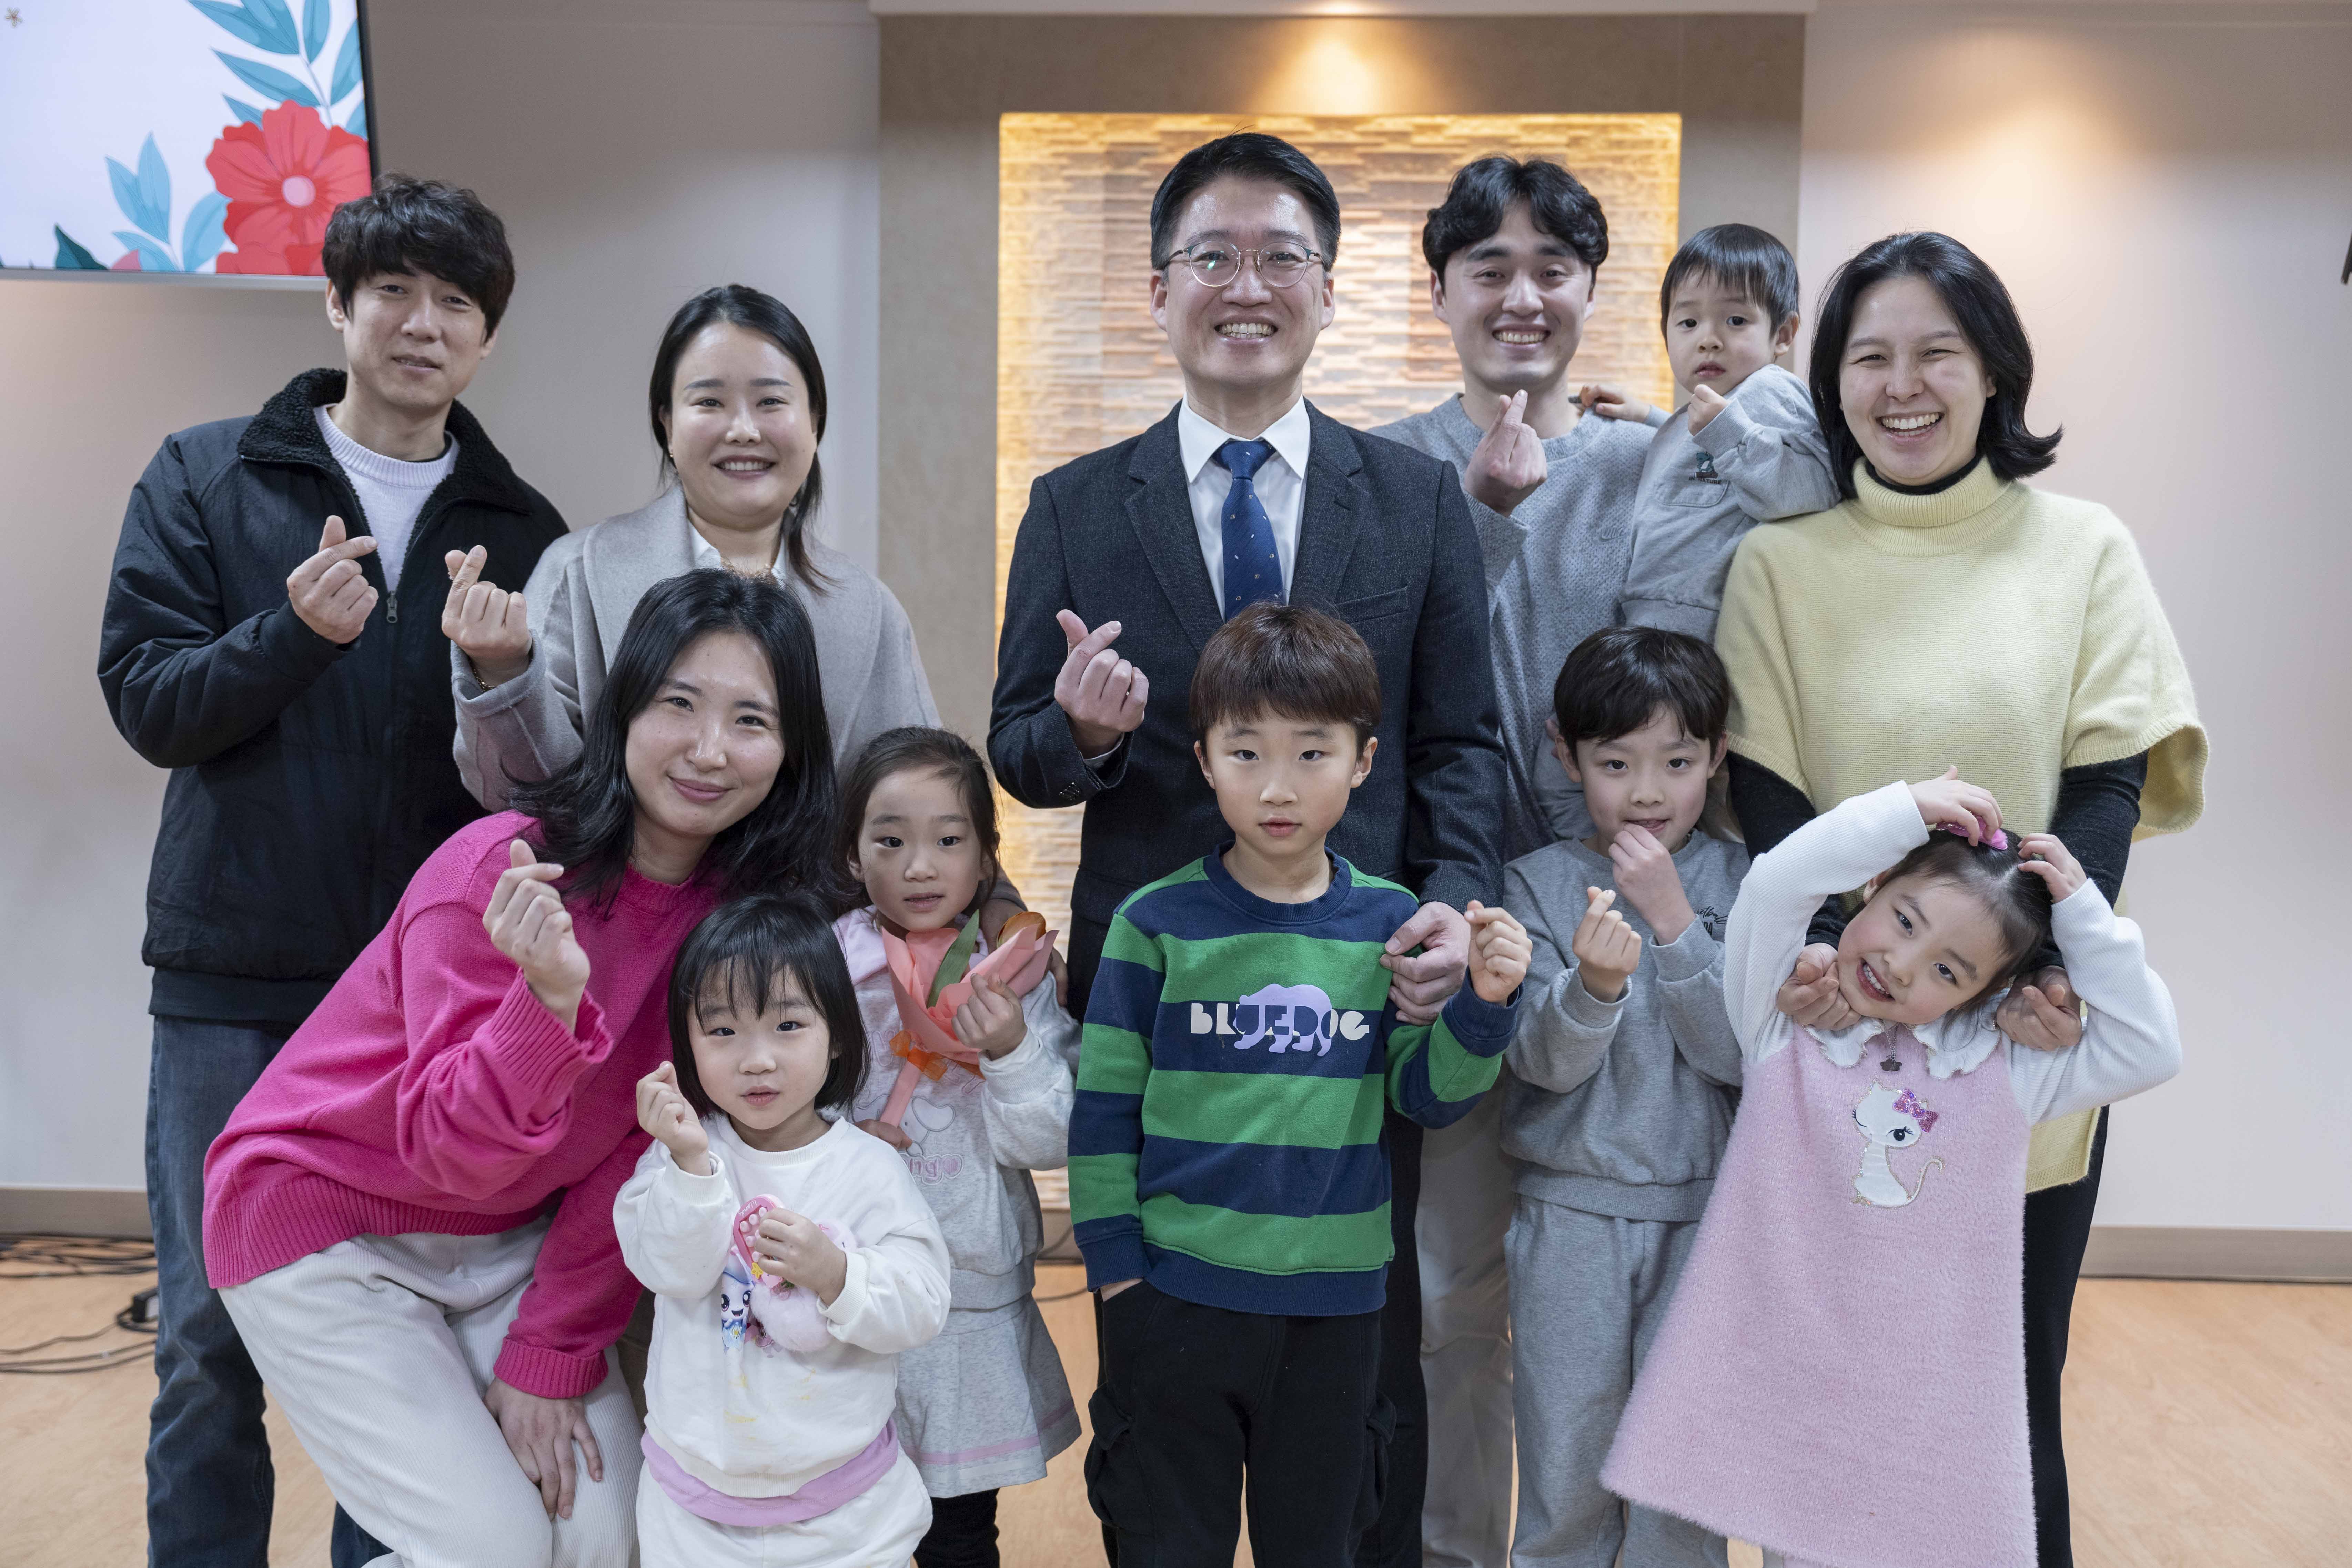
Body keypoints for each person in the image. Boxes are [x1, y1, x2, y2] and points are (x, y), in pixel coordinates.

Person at [989, 131, 1508, 1566]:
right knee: (1162, 1386)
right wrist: (1082, 732)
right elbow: (1017, 747)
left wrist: (1452, 910)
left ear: (1328, 291)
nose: (1246, 285)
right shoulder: (1076, 504)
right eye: (1210, 256)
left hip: (1359, 997)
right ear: (1157, 290)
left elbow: (1462, 741)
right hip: (1163, 1004)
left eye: (1282, 256)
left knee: (1359, 1380)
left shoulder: (1412, 497)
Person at [1713, 231, 2205, 1566]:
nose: (1902, 385)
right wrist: (1845, 972)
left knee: (2002, 1409)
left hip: (2018, 1056)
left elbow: (2103, 789)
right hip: (1841, 1054)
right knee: (1833, 1416)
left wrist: (2024, 984)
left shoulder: (2083, 549)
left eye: (1936, 351)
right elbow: (1770, 802)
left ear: (1993, 369)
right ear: (1831, 383)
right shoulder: (1778, 566)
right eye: (1869, 356)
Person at [96, 174, 565, 1568]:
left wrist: (504, 673)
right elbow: (146, 700)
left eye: (455, 303)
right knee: (204, 1335)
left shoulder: (525, 527)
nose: (423, 324)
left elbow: (539, 785)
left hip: (418, 1005)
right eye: (394, 293)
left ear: (487, 336)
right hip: (232, 979)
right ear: (338, 305)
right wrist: (290, 636)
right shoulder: (207, 475)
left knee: (403, 1336)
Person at [202, 570, 839, 1563]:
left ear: (791, 750)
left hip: (504, 1239)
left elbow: (637, 1153)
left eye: (750, 719)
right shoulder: (500, 868)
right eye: (678, 703)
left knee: (608, 1536)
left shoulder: (737, 929)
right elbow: (447, 1149)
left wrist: (547, 1349)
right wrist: (545, 1001)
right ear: (622, 709)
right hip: (328, 1224)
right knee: (491, 1545)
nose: (709, 748)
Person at [1601, 773, 2182, 1568]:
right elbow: (1776, 884)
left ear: (1986, 992)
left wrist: (2083, 913)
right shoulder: (1780, 1021)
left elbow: (2151, 1047)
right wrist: (1900, 810)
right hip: (1789, 1377)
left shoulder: (2004, 1067)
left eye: (1949, 971)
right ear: (1871, 884)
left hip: (1915, 1406)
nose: (1903, 964)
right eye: (1904, 920)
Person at [1070, 603, 1531, 1568]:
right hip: (1173, 1295)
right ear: (1203, 759)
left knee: (1320, 1543)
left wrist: (1483, 1005)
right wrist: (1116, 1273)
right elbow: (1104, 1113)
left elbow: (1425, 1096)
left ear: (1363, 761)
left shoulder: (1392, 921)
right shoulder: (1153, 923)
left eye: (1312, 752)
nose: (1276, 786)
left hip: (1335, 1311)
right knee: (1165, 1542)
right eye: (1245, 752)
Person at [1365, 155, 1649, 1568]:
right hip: (1460, 924)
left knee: (1625, 1286)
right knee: (1450, 1296)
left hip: (1623, 932)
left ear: (1593, 289)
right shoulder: (1378, 468)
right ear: (1440, 293)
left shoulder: (1650, 463)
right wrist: (1477, 515)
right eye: (1488, 267)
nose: (1521, 295)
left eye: (1553, 268)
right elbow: (1366, 690)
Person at [443, 283, 965, 833]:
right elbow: (511, 794)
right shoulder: (578, 572)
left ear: (814, 422)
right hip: (613, 889)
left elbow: (921, 801)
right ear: (667, 423)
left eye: (771, 402)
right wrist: (504, 673)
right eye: (710, 402)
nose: (743, 430)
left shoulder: (870, 609)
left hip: (807, 893)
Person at [1498, 627, 1748, 1568]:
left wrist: (1675, 923)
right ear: (1566, 756)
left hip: (1707, 1221)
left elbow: (1741, 1058)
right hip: (1567, 1215)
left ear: (1716, 756)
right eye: (1615, 762)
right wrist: (1593, 987)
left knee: (1678, 1484)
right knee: (1565, 1464)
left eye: (1675, 762)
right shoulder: (1534, 883)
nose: (1646, 791)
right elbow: (1539, 1064)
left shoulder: (1743, 880)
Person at [621, 893, 953, 1566]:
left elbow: (922, 1304)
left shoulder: (868, 1167)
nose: (756, 1059)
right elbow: (669, 1272)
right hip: (694, 1507)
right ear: (687, 1042)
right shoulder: (681, 1154)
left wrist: (836, 1273)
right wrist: (691, 1168)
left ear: (837, 1035)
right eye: (722, 1030)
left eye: (788, 1025)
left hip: (848, 1512)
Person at [833, 728, 1081, 1567]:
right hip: (849, 1295)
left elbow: (1050, 1141)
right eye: (889, 840)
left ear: (986, 861)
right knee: (843, 1519)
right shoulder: (824, 969)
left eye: (948, 839)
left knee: (960, 1531)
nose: (919, 866)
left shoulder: (1017, 977)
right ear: (852, 854)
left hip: (967, 1305)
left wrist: (1011, 1049)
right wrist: (836, 1141)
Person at [1578, 222, 1837, 638]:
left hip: (1708, 624)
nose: (1708, 340)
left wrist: (1725, 433)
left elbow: (1815, 487)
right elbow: (1701, 467)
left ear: (1783, 334)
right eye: (1688, 322)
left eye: (1735, 320)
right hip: (1653, 617)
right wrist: (1649, 416)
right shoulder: (1712, 408)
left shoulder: (1770, 389)